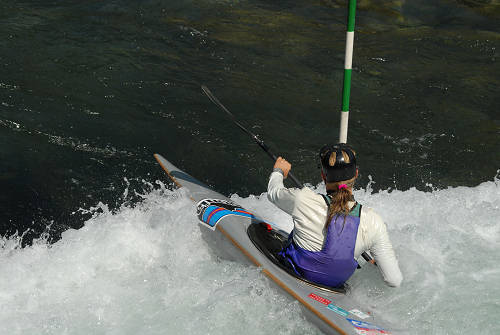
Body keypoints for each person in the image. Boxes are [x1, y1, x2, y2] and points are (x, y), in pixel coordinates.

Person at [267, 143, 402, 288]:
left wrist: (278, 171)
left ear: (323, 176)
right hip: (333, 289)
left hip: (295, 274)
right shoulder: (374, 221)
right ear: (356, 174)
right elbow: (394, 280)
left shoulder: (302, 199)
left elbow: (273, 192)